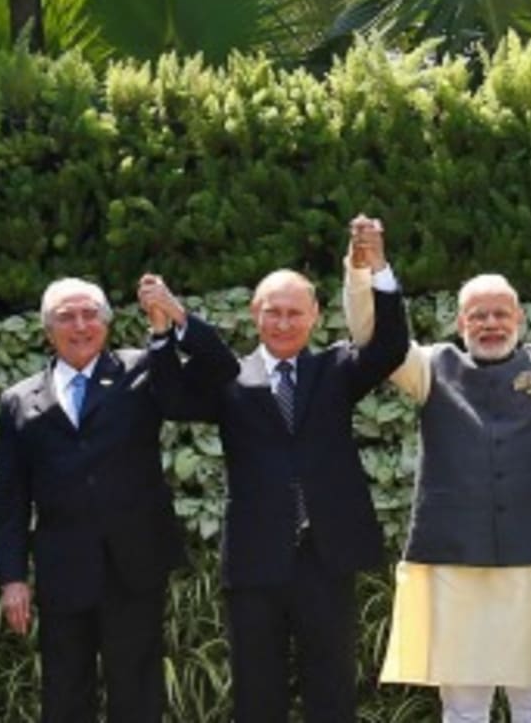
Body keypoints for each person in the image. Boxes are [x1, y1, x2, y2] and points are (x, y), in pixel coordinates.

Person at [343, 212, 531, 722]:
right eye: (478, 315)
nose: (490, 323)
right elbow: (375, 338)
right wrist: (372, 268)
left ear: (519, 318)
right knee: (463, 706)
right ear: (461, 323)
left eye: (501, 313)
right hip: (456, 563)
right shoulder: (428, 367)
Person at [138, 217, 411, 723]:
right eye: (273, 312)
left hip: (326, 557)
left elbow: (391, 347)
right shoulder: (229, 377)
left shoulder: (336, 369)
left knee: (331, 691)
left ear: (314, 317)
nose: (283, 323)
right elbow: (172, 398)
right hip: (256, 559)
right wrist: (165, 328)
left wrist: (377, 268)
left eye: (294, 313)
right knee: (257, 695)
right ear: (255, 313)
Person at [0, 275, 236, 723]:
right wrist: (12, 578)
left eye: (90, 315)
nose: (80, 326)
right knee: (65, 694)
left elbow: (221, 372)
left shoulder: (143, 369)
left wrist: (176, 316)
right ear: (48, 330)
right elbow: (10, 498)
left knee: (136, 694)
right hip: (63, 570)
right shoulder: (18, 401)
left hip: (133, 566)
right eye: (67, 317)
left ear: (106, 323)